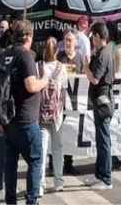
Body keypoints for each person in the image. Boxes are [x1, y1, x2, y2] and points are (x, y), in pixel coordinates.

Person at [4, 20, 49, 205]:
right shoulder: (26, 56)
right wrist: (45, 80)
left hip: (8, 118)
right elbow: (31, 85)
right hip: (26, 119)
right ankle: (32, 201)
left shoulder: (6, 54)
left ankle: (11, 201)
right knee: (36, 160)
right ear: (29, 36)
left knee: (11, 165)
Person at [83, 22, 115, 191]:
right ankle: (99, 175)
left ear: (96, 36)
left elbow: (95, 79)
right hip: (104, 101)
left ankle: (107, 178)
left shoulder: (104, 54)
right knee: (101, 140)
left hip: (103, 102)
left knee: (104, 142)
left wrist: (86, 68)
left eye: (92, 37)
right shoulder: (108, 51)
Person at [39, 37, 68, 195]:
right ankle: (58, 181)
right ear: (56, 50)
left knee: (42, 149)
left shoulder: (39, 67)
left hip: (42, 113)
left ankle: (40, 183)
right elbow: (64, 94)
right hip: (56, 113)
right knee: (57, 147)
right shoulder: (61, 68)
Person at [55, 30, 85, 175]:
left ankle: (68, 163)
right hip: (59, 103)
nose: (67, 43)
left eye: (70, 40)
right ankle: (53, 164)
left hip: (73, 104)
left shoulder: (80, 59)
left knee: (70, 133)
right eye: (65, 40)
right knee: (56, 132)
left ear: (76, 42)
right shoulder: (59, 58)